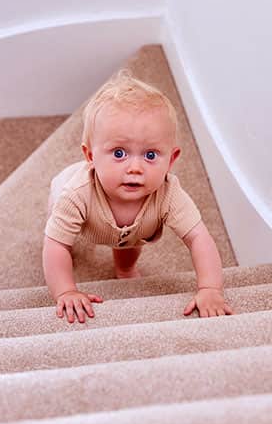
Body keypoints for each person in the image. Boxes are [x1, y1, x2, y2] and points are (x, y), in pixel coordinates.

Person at [42, 69, 233, 323]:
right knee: (60, 240)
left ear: (171, 160)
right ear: (90, 157)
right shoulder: (74, 195)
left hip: (134, 232)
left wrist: (210, 289)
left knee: (132, 241)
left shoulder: (168, 193)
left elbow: (199, 237)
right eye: (119, 153)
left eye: (150, 155)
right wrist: (66, 291)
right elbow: (56, 245)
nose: (135, 168)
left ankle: (124, 267)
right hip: (77, 207)